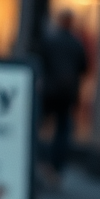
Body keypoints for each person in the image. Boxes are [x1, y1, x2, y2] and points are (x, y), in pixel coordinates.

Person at [39, 9, 88, 177]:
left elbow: (40, 63)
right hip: (67, 94)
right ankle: (55, 168)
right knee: (62, 131)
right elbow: (84, 68)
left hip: (49, 92)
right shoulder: (77, 43)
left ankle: (38, 162)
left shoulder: (50, 40)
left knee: (39, 127)